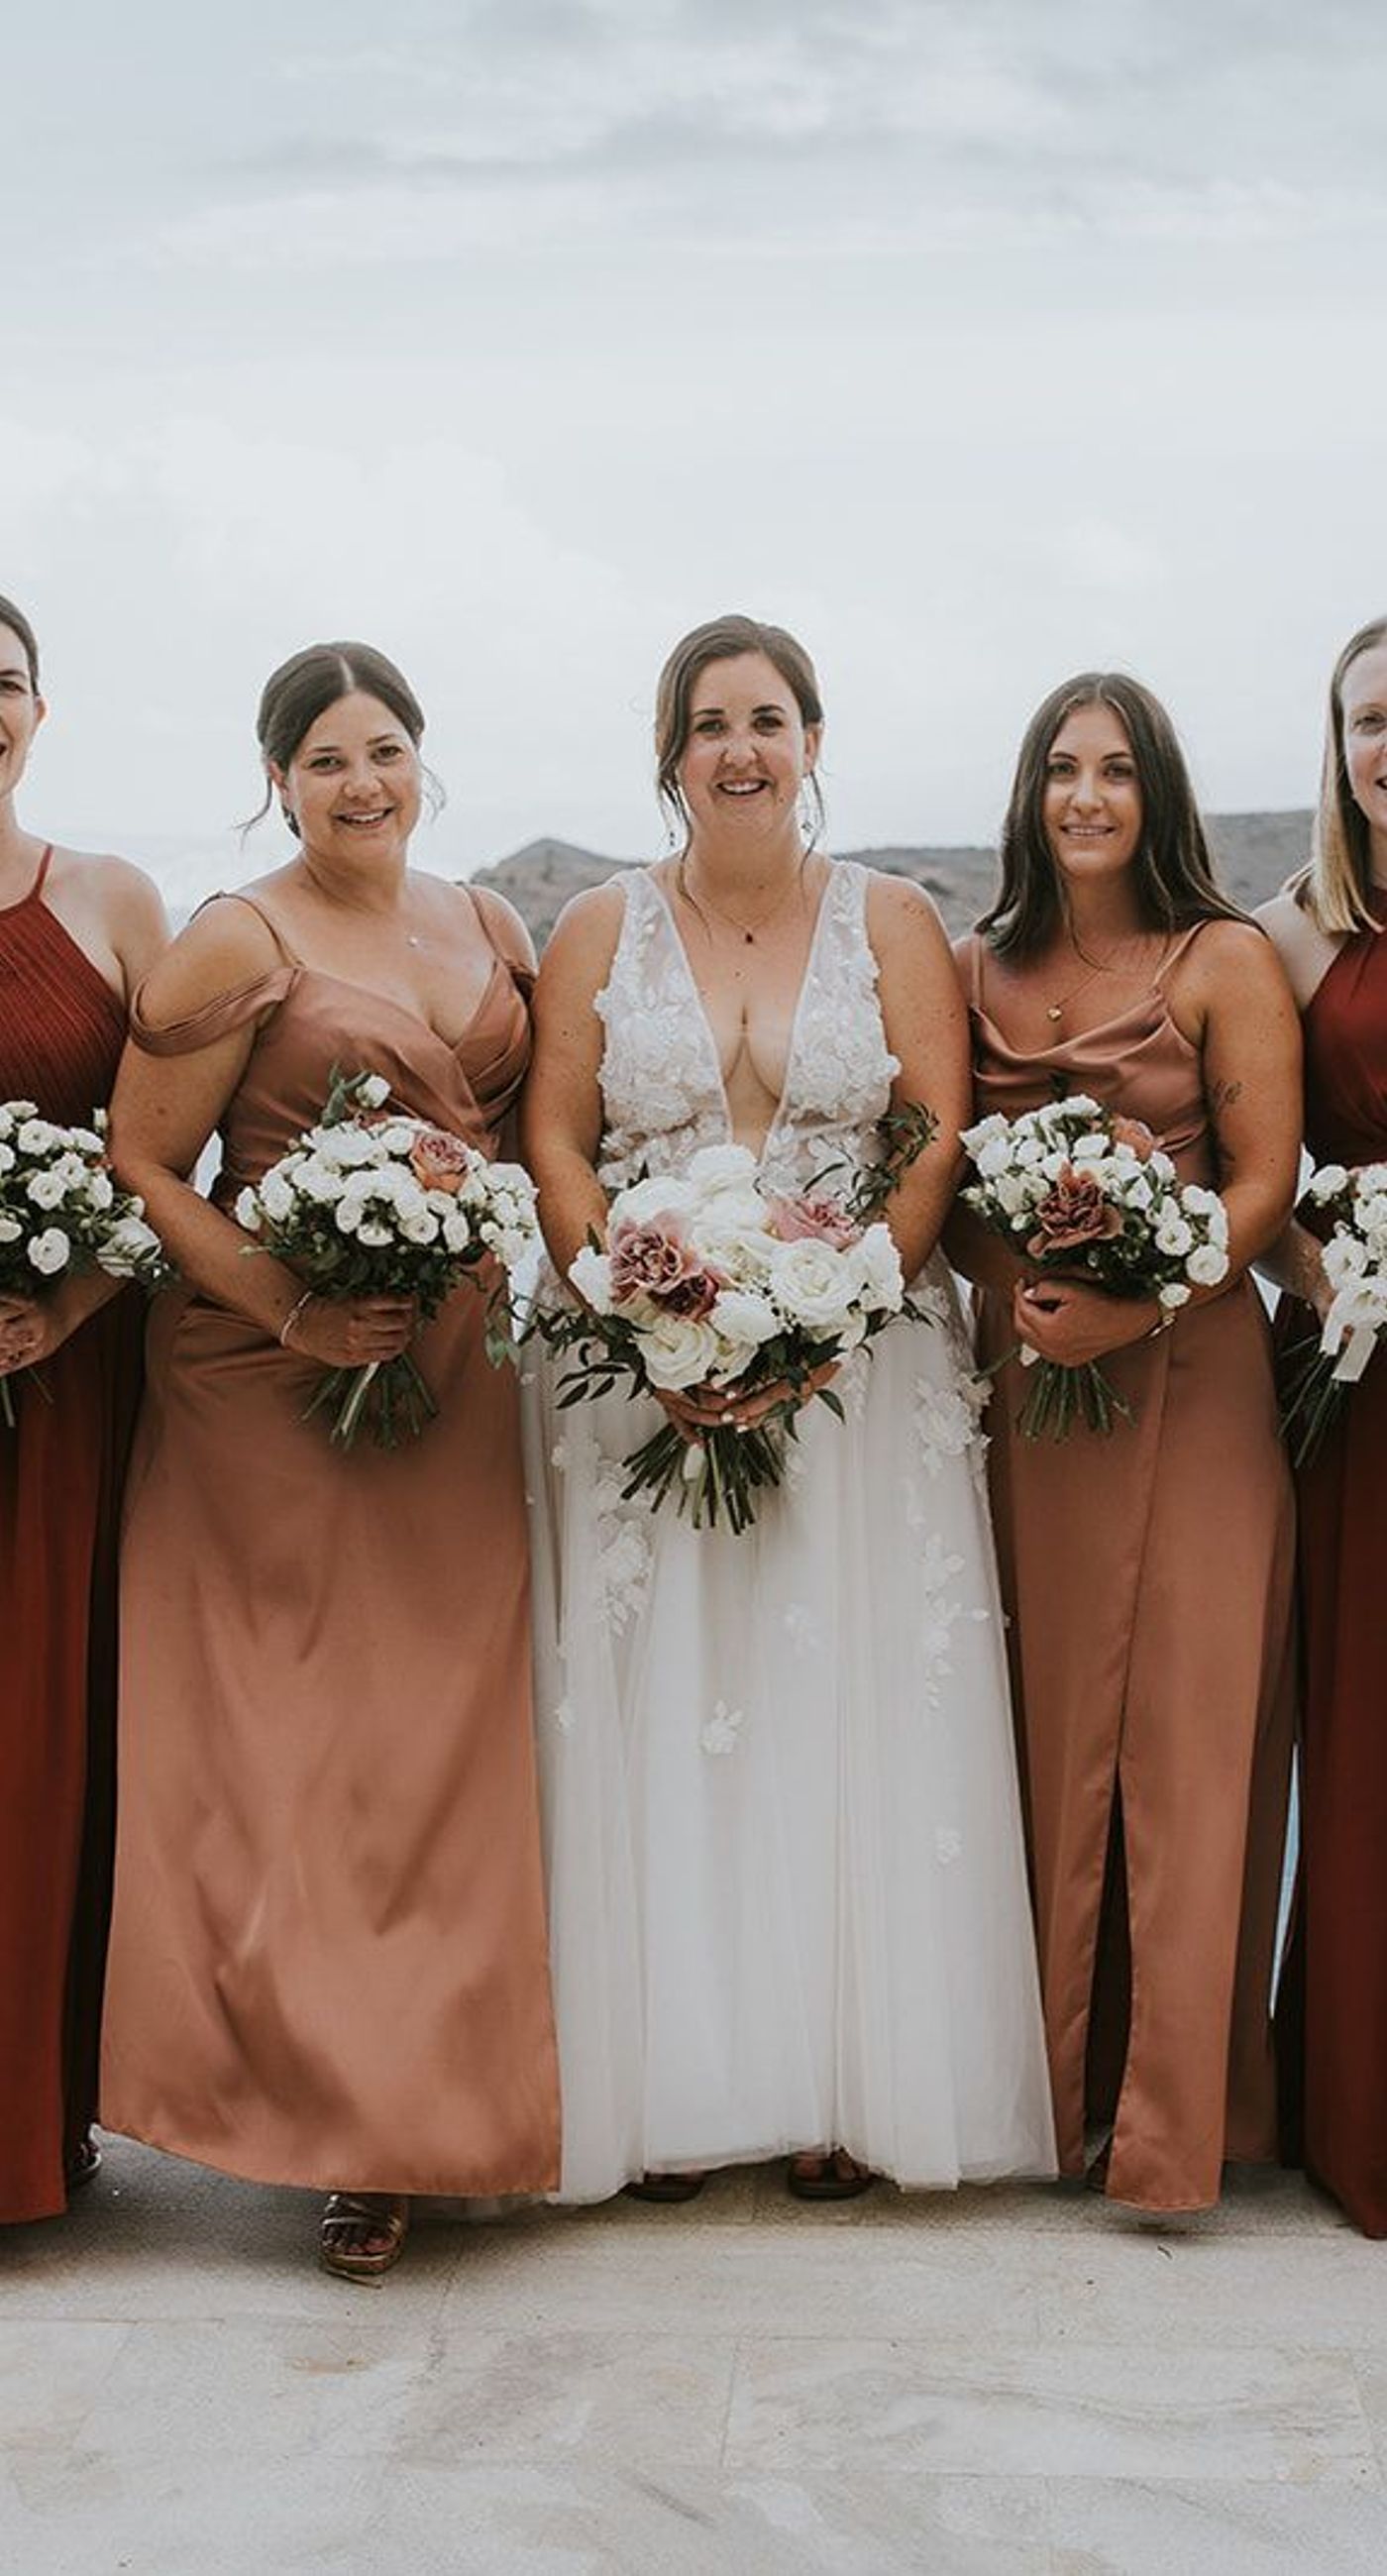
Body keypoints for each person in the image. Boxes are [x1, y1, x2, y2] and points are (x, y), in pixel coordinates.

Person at [521, 611, 1054, 2204]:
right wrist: (642, 1305)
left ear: (813, 741)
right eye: (707, 725)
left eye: (768, 719)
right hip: (642, 1373)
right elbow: (554, 1140)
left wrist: (835, 1311)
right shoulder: (596, 926)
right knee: (667, 1710)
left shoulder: (891, 916)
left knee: (841, 1709)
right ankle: (673, 2087)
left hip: (854, 1370)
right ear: (670, 756)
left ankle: (839, 2082)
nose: (739, 750)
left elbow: (933, 1135)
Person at [101, 640, 559, 2277]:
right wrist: (293, 1311)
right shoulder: (241, 934)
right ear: (277, 782)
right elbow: (145, 1166)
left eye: (385, 751)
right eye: (324, 762)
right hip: (276, 1381)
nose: (361, 785)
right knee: (313, 1757)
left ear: (424, 758)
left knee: (448, 1746)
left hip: (460, 1378)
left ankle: (452, 2101)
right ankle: (352, 2142)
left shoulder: (494, 926)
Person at [951, 670, 1300, 2215]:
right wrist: (1025, 1292)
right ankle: (1047, 2095)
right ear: (1028, 797)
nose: (1084, 797)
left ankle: (1173, 2121)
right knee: (1039, 1725)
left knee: (1188, 1735)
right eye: (1058, 770)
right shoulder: (974, 967)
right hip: (1034, 1395)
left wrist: (1141, 1292)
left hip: (1202, 1382)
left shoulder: (1222, 958)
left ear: (1157, 791)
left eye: (1115, 770)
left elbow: (1265, 1182)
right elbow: (951, 1199)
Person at [0, 592, 167, 2226]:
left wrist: (66, 1305)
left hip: (66, 1388)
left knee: (49, 1740)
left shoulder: (112, 898)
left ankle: (36, 2133)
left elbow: (169, 1156)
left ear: (41, 710)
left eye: (4, 678)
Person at [1258, 614, 1387, 2236]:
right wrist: (1337, 1272)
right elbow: (1264, 1177)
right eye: (1371, 720)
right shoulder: (1293, 932)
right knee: (1364, 1726)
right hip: (1362, 1372)